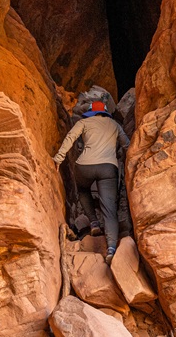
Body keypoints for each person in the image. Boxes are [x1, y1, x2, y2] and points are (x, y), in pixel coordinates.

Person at [53, 100, 130, 264]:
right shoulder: (114, 124)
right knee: (109, 209)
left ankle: (94, 222)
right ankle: (111, 249)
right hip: (108, 169)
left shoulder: (84, 122)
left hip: (85, 166)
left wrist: (59, 158)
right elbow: (127, 144)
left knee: (82, 190)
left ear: (90, 113)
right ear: (105, 113)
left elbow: (70, 137)